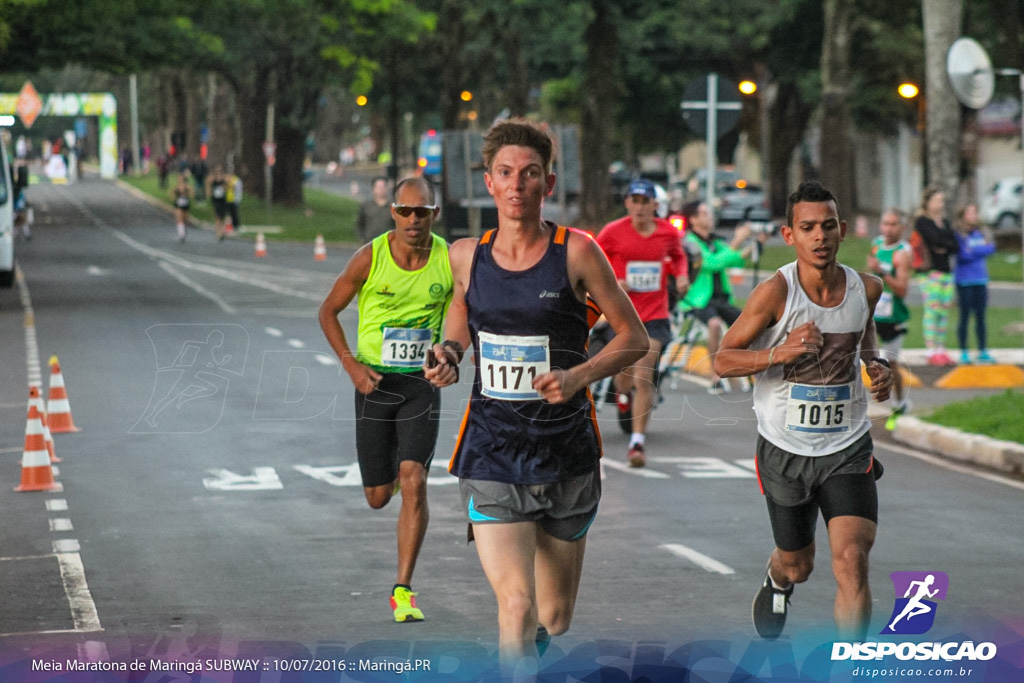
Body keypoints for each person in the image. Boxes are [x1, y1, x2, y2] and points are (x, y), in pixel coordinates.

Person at [424, 119, 647, 673]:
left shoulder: (577, 253)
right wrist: (449, 354)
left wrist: (577, 377)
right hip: (492, 452)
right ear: (489, 182)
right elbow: (459, 315)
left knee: (555, 613)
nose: (517, 184)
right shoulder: (465, 256)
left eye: (529, 174)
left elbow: (635, 338)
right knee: (515, 606)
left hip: (565, 453)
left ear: (548, 184)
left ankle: (531, 642)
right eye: (505, 174)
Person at [713, 181, 893, 642]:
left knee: (852, 560)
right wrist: (780, 352)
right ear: (789, 235)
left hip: (846, 446)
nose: (820, 237)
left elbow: (863, 333)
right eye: (808, 227)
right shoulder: (775, 293)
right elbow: (723, 358)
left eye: (828, 226)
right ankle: (777, 578)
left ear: (843, 230)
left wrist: (876, 363)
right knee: (800, 564)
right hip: (784, 449)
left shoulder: (865, 288)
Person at [318, 176, 452, 624]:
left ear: (435, 214)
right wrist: (351, 366)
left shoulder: (448, 260)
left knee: (414, 478)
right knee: (378, 497)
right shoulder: (369, 258)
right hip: (375, 383)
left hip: (420, 382)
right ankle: (394, 466)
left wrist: (451, 352)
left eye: (423, 212)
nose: (414, 220)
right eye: (406, 211)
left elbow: (465, 315)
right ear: (393, 212)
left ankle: (403, 589)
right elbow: (328, 311)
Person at [595, 178, 688, 467]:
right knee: (623, 378)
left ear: (654, 206)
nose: (639, 206)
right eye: (634, 201)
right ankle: (622, 396)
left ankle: (637, 443)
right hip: (622, 315)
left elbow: (679, 255)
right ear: (627, 204)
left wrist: (682, 275)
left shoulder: (666, 233)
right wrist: (613, 281)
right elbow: (591, 260)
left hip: (656, 313)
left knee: (643, 373)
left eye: (645, 201)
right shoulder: (613, 232)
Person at [680, 200, 769, 393]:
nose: (710, 217)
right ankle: (715, 376)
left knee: (749, 325)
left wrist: (757, 244)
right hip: (699, 300)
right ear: (693, 219)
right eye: (705, 214)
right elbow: (711, 263)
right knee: (713, 324)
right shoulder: (690, 243)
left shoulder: (716, 242)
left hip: (722, 299)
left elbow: (734, 259)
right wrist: (737, 240)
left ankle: (752, 370)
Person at [867, 208, 913, 429]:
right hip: (876, 314)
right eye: (885, 223)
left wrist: (883, 274)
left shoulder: (903, 252)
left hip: (895, 316)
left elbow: (902, 290)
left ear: (901, 227)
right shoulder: (876, 245)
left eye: (893, 224)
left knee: (892, 362)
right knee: (867, 357)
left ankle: (900, 401)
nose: (888, 228)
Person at [913, 188, 959, 366]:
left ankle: (941, 348)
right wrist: (943, 243)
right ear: (928, 202)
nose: (941, 204)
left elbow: (954, 245)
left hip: (946, 270)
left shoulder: (945, 222)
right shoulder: (922, 221)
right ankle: (931, 349)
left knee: (944, 310)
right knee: (932, 308)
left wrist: (944, 244)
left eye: (942, 200)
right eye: (937, 200)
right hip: (929, 271)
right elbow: (934, 240)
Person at [953, 202, 997, 364]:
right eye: (970, 213)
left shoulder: (981, 232)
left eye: (975, 212)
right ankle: (964, 351)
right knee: (964, 316)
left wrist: (976, 251)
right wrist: (981, 250)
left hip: (981, 279)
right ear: (963, 215)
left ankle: (982, 350)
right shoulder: (958, 234)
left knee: (981, 317)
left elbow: (991, 248)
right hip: (964, 281)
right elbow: (963, 255)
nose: (973, 216)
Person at [357, 176, 393, 242]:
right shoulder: (367, 205)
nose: (381, 189)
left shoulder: (393, 207)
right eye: (379, 187)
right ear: (374, 188)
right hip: (370, 243)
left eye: (383, 187)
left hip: (388, 243)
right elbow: (360, 223)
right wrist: (362, 238)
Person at [206, 165, 230, 240]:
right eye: (217, 171)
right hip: (215, 200)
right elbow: (208, 185)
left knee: (222, 216)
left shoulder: (224, 179)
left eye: (220, 170)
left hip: (223, 200)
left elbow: (228, 187)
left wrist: (225, 185)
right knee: (217, 216)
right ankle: (218, 232)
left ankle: (222, 231)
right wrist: (208, 194)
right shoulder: (213, 179)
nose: (218, 172)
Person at [171, 173, 193, 243]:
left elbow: (192, 195)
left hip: (185, 204)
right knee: (179, 218)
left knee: (185, 219)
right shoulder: (176, 187)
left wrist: (187, 191)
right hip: (178, 205)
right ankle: (181, 234)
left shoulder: (187, 187)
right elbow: (172, 196)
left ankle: (184, 230)